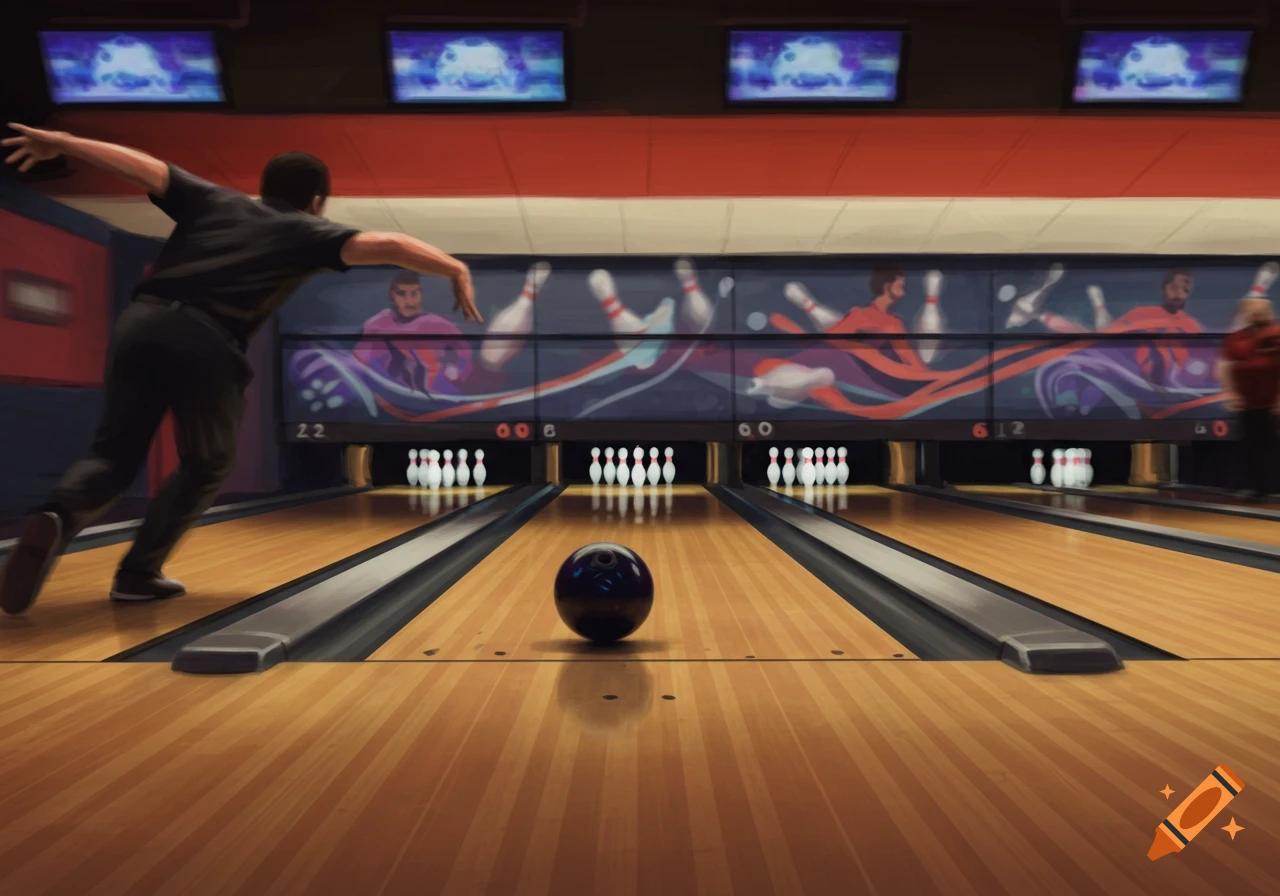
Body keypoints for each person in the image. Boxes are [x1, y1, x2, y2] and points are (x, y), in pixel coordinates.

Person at [0, 122, 481, 615]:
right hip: (208, 340)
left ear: (264, 188)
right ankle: (138, 573)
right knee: (206, 462)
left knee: (112, 454)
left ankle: (57, 513)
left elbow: (141, 166)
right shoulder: (308, 230)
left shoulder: (213, 199)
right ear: (316, 201)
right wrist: (455, 268)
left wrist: (62, 142)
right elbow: (391, 244)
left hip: (140, 323)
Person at [1219, 296, 1280, 501]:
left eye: (1261, 310)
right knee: (1252, 446)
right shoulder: (1237, 338)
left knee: (1273, 445)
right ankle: (1258, 487)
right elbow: (1225, 366)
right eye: (1252, 310)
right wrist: (1232, 393)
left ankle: (1274, 487)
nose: (1257, 313)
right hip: (1250, 404)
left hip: (1274, 404)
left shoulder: (1277, 333)